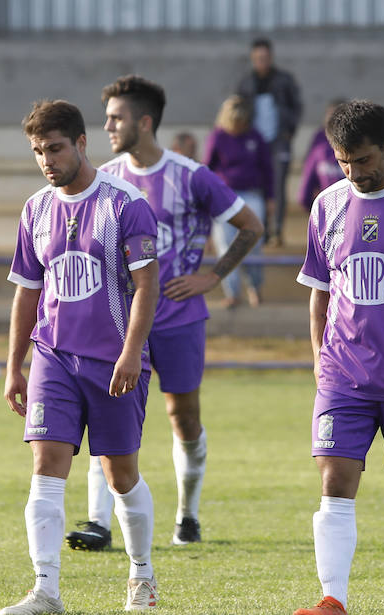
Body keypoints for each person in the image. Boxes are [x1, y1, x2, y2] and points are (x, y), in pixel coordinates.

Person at [75, 75, 263, 550]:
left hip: (179, 317)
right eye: (107, 117)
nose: (108, 126)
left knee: (184, 418)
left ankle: (188, 514)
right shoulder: (106, 178)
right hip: (120, 320)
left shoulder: (191, 175)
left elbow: (250, 226)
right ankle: (98, 521)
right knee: (108, 413)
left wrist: (213, 277)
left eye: (116, 118)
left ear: (145, 121)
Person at [0, 100, 161, 614]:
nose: (47, 160)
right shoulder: (35, 209)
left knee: (120, 474)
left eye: (55, 148)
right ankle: (46, 590)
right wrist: (14, 366)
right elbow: (27, 291)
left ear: (81, 143)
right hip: (54, 358)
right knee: (46, 467)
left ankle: (142, 577)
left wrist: (132, 353)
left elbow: (147, 286)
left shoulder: (125, 204)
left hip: (114, 362)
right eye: (38, 151)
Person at [292, 100, 384, 615]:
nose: (355, 173)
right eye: (344, 162)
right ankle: (333, 601)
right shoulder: (326, 204)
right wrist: (319, 358)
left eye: (364, 160)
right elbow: (320, 291)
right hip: (343, 373)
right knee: (334, 478)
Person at [205, 94, 273, 308]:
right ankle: (233, 292)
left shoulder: (255, 137)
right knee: (226, 245)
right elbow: (207, 169)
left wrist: (271, 198)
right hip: (224, 195)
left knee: (253, 244)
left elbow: (268, 169)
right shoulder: (218, 136)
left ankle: (255, 288)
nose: (238, 126)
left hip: (251, 194)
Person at [237, 37, 303, 246]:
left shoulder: (284, 80)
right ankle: (263, 230)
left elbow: (297, 106)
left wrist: (289, 131)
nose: (261, 62)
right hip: (254, 144)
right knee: (258, 186)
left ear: (271, 57)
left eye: (265, 58)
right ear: (252, 58)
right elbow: (238, 108)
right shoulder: (246, 83)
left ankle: (278, 231)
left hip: (279, 141)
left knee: (278, 184)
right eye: (257, 58)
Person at [298, 100, 349, 212]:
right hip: (327, 205)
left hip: (352, 205)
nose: (332, 120)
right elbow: (309, 169)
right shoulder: (319, 143)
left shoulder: (358, 145)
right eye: (329, 115)